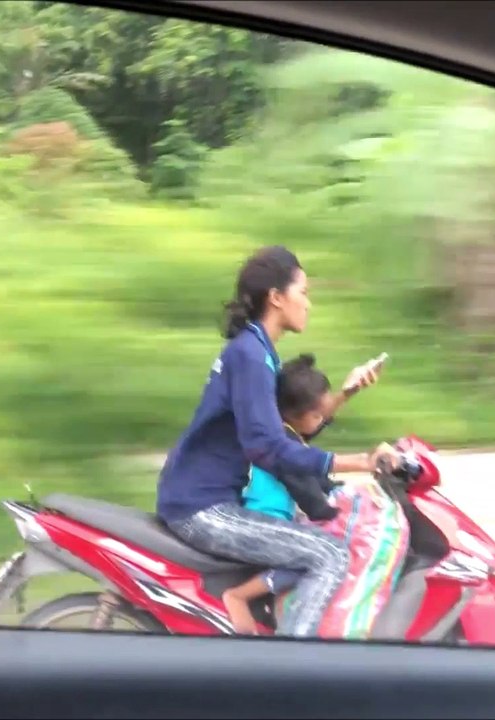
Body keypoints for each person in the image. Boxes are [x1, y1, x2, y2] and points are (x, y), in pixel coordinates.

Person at [156, 245, 396, 638]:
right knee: (330, 554)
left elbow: (283, 430)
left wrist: (345, 394)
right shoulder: (252, 357)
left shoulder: (257, 351)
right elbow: (268, 448)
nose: (309, 304)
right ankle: (292, 668)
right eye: (303, 292)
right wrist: (363, 462)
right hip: (202, 508)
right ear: (277, 297)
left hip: (199, 497)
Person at [222, 353, 342, 634]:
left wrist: (343, 490)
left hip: (273, 517)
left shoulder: (286, 435)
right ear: (295, 414)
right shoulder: (284, 445)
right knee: (313, 558)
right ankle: (239, 596)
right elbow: (310, 497)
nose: (322, 420)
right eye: (317, 415)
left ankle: (276, 619)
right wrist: (334, 509)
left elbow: (315, 478)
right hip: (264, 518)